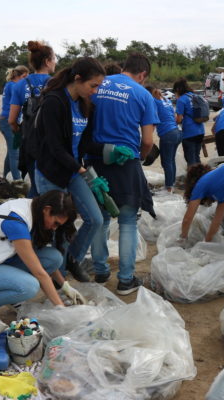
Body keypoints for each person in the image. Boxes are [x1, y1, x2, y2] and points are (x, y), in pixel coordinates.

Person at [84, 52, 159, 295]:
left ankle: (100, 270)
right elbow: (147, 141)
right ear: (143, 74)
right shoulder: (143, 95)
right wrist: (141, 156)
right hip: (126, 164)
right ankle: (126, 280)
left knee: (100, 219)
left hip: (95, 160)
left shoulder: (99, 84)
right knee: (127, 222)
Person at [33, 57, 106, 283]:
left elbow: (83, 143)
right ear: (77, 79)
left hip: (73, 171)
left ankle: (72, 260)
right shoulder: (54, 102)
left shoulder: (86, 105)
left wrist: (109, 152)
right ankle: (59, 278)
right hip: (51, 173)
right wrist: (81, 171)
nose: (95, 91)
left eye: (98, 87)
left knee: (95, 219)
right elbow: (54, 147)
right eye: (93, 85)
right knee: (59, 229)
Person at [0, 190, 85, 310]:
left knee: (54, 258)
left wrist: (65, 286)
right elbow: (39, 272)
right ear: (47, 209)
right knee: (29, 287)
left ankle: (12, 296)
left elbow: (42, 263)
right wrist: (61, 308)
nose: (54, 228)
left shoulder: (34, 208)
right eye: (55, 222)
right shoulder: (17, 222)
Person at [10, 41, 56, 197]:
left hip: (29, 141)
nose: (55, 62)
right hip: (50, 142)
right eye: (54, 58)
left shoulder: (20, 84)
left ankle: (29, 216)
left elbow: (11, 119)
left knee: (35, 186)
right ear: (47, 62)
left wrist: (20, 131)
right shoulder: (56, 83)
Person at [146, 85, 182, 191]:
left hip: (168, 134)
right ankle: (172, 183)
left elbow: (151, 120)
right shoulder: (166, 100)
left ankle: (169, 187)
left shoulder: (153, 101)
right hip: (177, 132)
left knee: (166, 162)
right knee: (171, 160)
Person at [0, 65, 29, 181]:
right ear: (20, 76)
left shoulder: (10, 84)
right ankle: (17, 182)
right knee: (15, 153)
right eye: (25, 77)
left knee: (11, 151)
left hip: (5, 121)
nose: (26, 81)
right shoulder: (14, 86)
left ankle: (5, 178)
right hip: (8, 122)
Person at [173, 78, 205, 166]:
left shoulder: (181, 100)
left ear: (178, 89)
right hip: (200, 131)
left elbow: (178, 119)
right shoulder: (195, 96)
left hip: (189, 133)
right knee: (196, 156)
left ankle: (193, 178)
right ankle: (201, 177)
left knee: (190, 159)